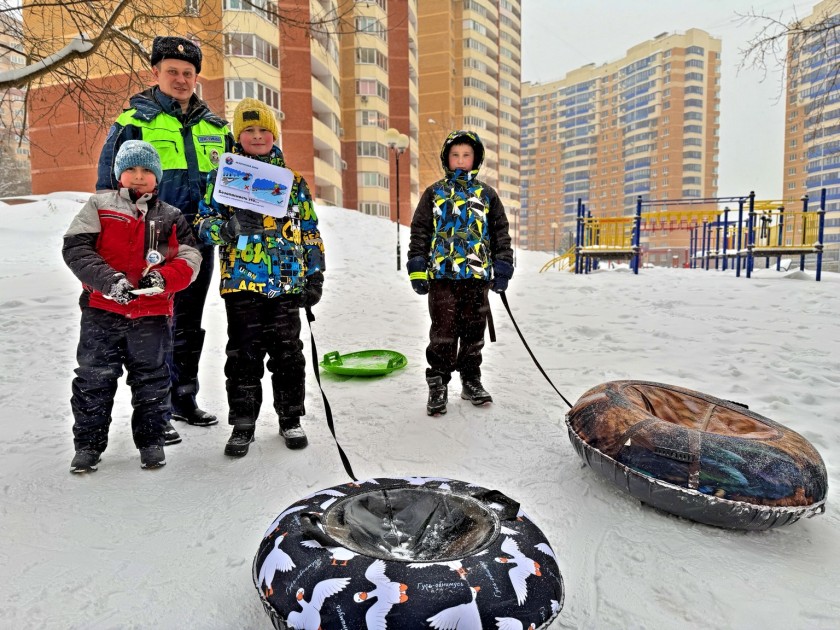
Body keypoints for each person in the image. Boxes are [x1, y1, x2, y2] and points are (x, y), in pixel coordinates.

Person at [97, 36, 233, 444]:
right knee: (156, 322)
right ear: (155, 73)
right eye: (172, 71)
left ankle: (183, 398)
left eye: (188, 73)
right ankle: (156, 408)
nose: (180, 79)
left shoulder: (215, 128)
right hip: (151, 241)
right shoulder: (133, 123)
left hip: (198, 242)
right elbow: (108, 187)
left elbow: (236, 184)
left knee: (189, 321)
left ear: (196, 78)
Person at [194, 98, 325, 457]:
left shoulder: (293, 182)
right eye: (248, 130)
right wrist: (228, 227)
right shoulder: (221, 178)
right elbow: (201, 224)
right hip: (242, 282)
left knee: (288, 354)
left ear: (274, 134)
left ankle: (290, 418)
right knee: (243, 355)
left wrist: (314, 275)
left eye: (263, 129)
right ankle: (243, 423)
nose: (256, 136)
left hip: (286, 282)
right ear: (237, 135)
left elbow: (310, 230)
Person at [64, 141, 202, 472]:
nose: (139, 176)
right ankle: (88, 446)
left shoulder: (171, 216)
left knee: (152, 381)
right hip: (102, 311)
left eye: (146, 170)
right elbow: (76, 249)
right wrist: (108, 281)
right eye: (131, 169)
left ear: (157, 177)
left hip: (152, 316)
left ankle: (151, 442)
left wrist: (163, 279)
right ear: (118, 174)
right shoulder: (99, 205)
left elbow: (190, 258)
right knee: (93, 380)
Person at [407, 130, 514, 416]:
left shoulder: (487, 194)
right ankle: (438, 382)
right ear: (447, 158)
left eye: (466, 155)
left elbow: (500, 234)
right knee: (443, 331)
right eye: (455, 155)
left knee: (473, 330)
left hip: (476, 277)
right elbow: (420, 231)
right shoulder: (434, 193)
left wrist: (503, 266)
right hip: (441, 276)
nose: (461, 160)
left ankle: (470, 379)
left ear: (475, 159)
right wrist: (417, 266)